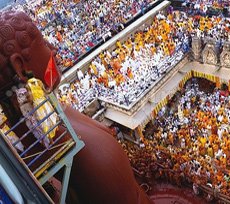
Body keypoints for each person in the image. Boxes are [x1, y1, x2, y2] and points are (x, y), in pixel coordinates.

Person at [0, 10, 151, 204]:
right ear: (20, 67)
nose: (53, 48)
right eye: (44, 44)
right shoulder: (91, 156)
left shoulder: (55, 118)